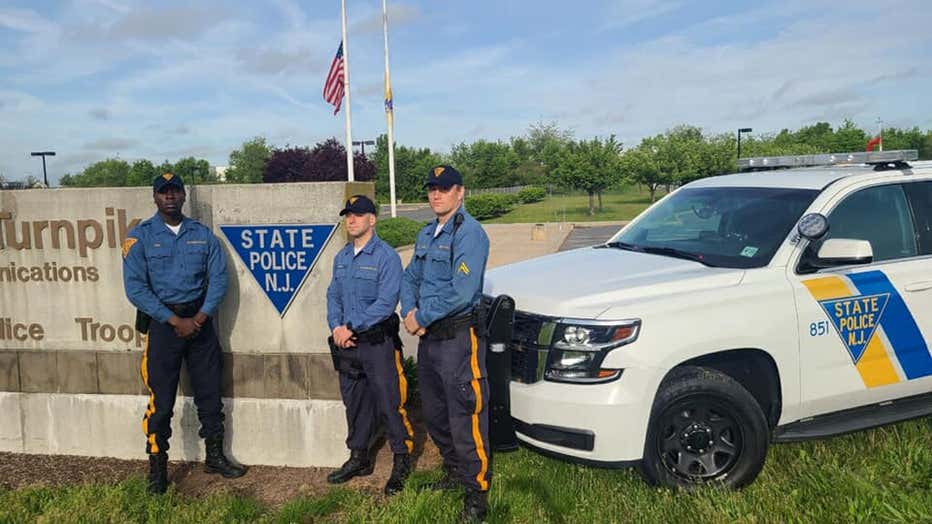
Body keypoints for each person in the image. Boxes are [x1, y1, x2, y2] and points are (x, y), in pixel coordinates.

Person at [122, 172, 246, 495]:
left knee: (209, 391)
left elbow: (218, 279)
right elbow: (135, 288)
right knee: (160, 400)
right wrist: (174, 321)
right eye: (164, 192)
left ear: (183, 196)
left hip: (200, 323)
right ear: (155, 197)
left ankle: (215, 456)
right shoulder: (141, 237)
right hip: (164, 326)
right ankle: (157, 467)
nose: (170, 197)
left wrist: (200, 317)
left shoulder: (203, 236)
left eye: (175, 191)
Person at [400, 165, 492, 521]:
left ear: (460, 192)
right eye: (431, 189)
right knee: (436, 413)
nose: (436, 194)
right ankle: (454, 471)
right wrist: (409, 310)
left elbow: (462, 290)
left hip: (457, 338)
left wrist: (420, 317)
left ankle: (477, 494)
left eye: (444, 188)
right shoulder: (427, 234)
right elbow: (411, 277)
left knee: (465, 416)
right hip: (429, 342)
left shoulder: (470, 233)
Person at [325, 195, 414, 496]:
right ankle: (359, 457)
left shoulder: (386, 257)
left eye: (358, 215)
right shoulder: (342, 258)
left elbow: (386, 303)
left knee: (390, 402)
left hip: (377, 342)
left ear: (372, 219)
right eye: (348, 215)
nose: (351, 220)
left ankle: (402, 459)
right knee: (355, 402)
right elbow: (333, 296)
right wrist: (336, 327)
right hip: (347, 345)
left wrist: (351, 327)